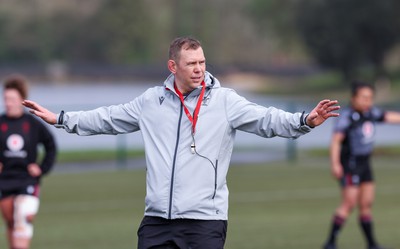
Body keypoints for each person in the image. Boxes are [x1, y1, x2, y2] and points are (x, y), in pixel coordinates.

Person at [23, 36, 340, 249]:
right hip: (157, 220)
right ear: (173, 66)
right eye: (192, 64)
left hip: (204, 222)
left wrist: (304, 120)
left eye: (202, 62)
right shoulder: (151, 101)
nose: (200, 69)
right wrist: (61, 118)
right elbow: (107, 118)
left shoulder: (225, 101)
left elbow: (267, 120)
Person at [322, 81, 400, 249]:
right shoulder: (347, 117)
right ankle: (330, 243)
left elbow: (388, 117)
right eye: (364, 97)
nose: (367, 101)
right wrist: (335, 164)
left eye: (370, 98)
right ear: (353, 98)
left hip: (365, 164)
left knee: (366, 204)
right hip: (350, 164)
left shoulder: (370, 113)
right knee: (349, 203)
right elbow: (336, 141)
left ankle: (372, 244)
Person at [0, 75, 57, 249]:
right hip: (5, 180)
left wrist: (41, 168)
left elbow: (51, 146)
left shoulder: (32, 124)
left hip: (27, 180)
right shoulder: (1, 122)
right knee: (11, 222)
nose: (8, 102)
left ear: (21, 100)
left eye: (12, 99)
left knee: (23, 220)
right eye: (6, 98)